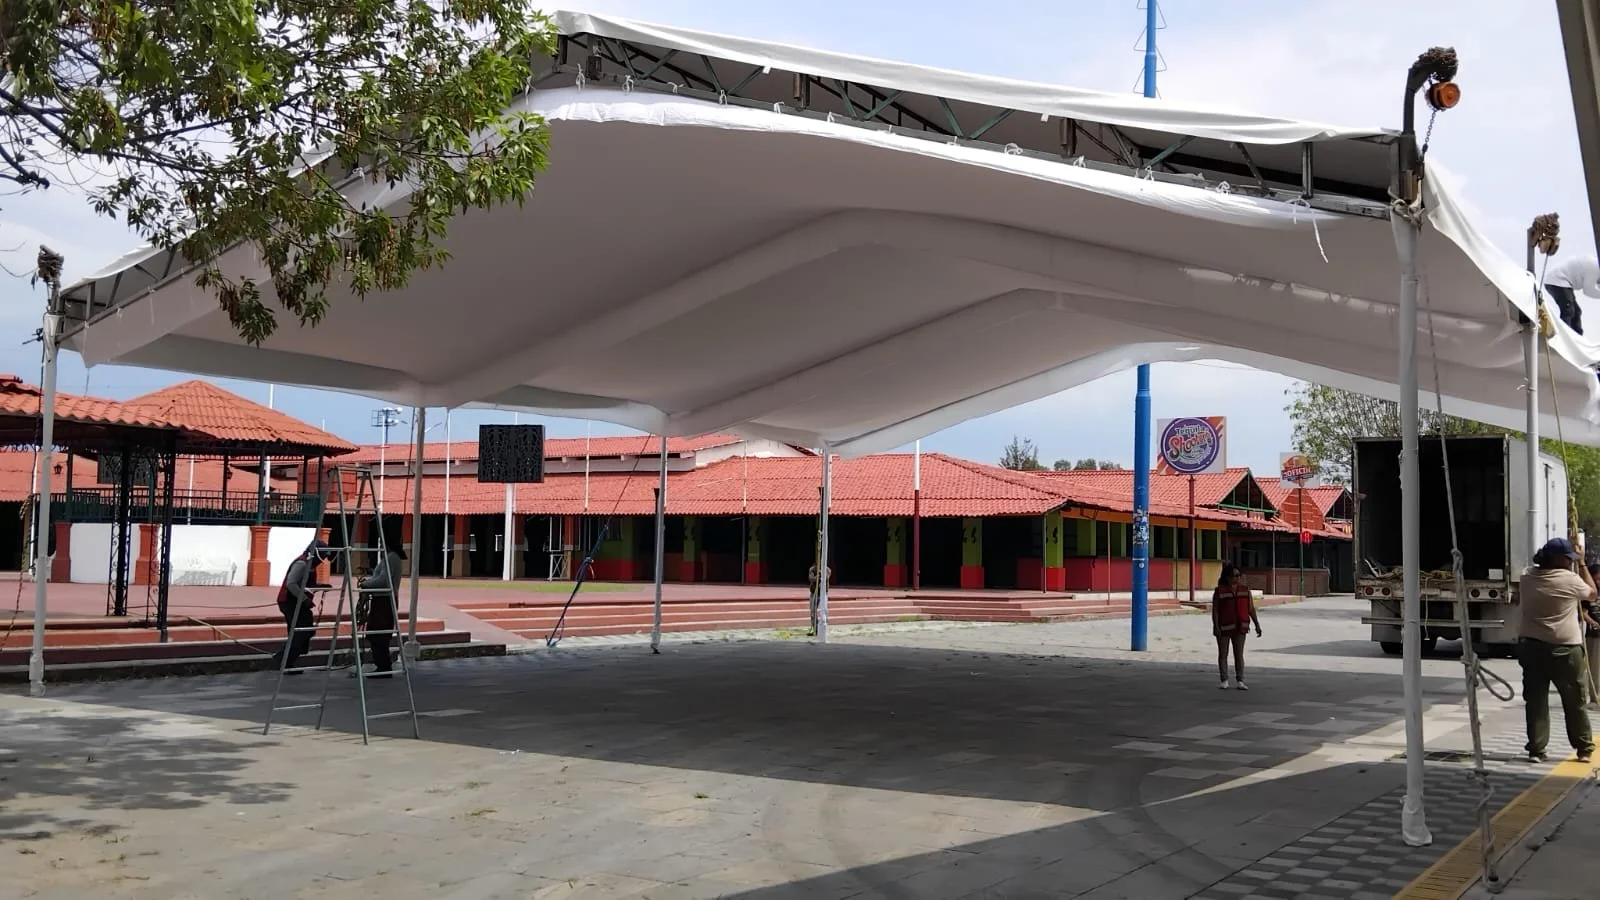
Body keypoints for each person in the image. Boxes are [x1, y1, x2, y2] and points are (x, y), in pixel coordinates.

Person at [1518, 537, 1597, 763]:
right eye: (1568, 559)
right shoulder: (1570, 579)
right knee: (1574, 702)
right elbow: (1593, 594)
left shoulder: (1527, 577)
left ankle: (1536, 749)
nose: (1570, 562)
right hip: (1565, 650)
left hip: (1531, 647)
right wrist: (1582, 564)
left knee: (1535, 701)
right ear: (1558, 559)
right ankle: (1583, 748)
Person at [272, 540, 331, 673]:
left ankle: (288, 659)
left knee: (306, 630)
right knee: (300, 631)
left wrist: (319, 586)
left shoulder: (310, 565)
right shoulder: (301, 564)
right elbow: (291, 584)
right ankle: (283, 660)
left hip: (298, 602)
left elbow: (305, 585)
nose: (322, 561)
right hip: (290, 601)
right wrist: (304, 599)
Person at [358, 546, 406, 678]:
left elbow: (384, 581)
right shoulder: (391, 558)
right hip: (382, 600)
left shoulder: (391, 558)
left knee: (379, 635)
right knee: (377, 634)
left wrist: (366, 584)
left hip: (384, 600)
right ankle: (382, 664)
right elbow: (382, 576)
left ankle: (383, 666)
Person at [1212, 563, 1261, 691]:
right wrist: (1216, 626)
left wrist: (1257, 625)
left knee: (1239, 655)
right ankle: (1224, 680)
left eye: (1239, 575)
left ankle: (1240, 680)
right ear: (1227, 577)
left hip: (1241, 626)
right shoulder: (1219, 591)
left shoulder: (1245, 590)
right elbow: (1215, 610)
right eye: (1234, 576)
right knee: (1223, 654)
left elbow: (1251, 609)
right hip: (1224, 627)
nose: (1237, 578)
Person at [1544, 255, 1600, 335]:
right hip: (1557, 279)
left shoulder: (1596, 267)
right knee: (1568, 310)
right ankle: (1564, 336)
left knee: (1577, 312)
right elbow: (1588, 291)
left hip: (1563, 282)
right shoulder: (1595, 268)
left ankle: (1577, 338)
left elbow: (1596, 286)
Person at [1585, 563, 1600, 709]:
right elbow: (1582, 612)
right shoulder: (1589, 594)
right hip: (1594, 635)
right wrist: (1593, 622)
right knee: (1594, 668)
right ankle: (1594, 697)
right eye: (1596, 579)